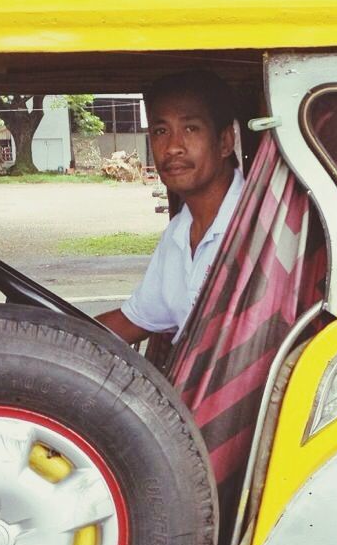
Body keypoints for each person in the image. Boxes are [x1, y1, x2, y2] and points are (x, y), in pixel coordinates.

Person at [97, 70, 243, 344]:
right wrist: (47, 339)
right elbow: (135, 319)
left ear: (224, 142)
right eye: (161, 131)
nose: (173, 147)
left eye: (190, 129)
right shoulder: (179, 232)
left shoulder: (256, 222)